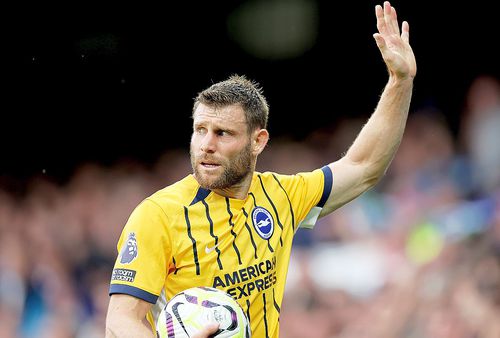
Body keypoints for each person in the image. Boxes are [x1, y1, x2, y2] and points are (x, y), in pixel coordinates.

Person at [105, 1, 417, 337]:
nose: (206, 144)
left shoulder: (280, 196)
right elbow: (120, 322)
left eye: (223, 133)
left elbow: (364, 166)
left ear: (258, 141)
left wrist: (400, 83)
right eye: (200, 130)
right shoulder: (157, 216)